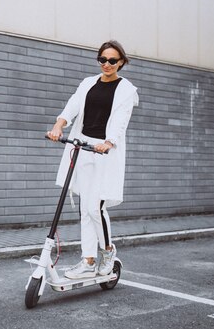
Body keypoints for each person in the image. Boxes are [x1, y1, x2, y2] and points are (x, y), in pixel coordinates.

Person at [46, 40, 138, 279]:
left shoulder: (126, 89)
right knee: (85, 209)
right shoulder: (88, 83)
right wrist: (58, 125)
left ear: (121, 62)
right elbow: (73, 105)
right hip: (83, 146)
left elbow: (121, 119)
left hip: (104, 152)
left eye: (112, 60)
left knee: (95, 207)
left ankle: (108, 251)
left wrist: (108, 143)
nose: (107, 64)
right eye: (103, 59)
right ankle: (87, 260)